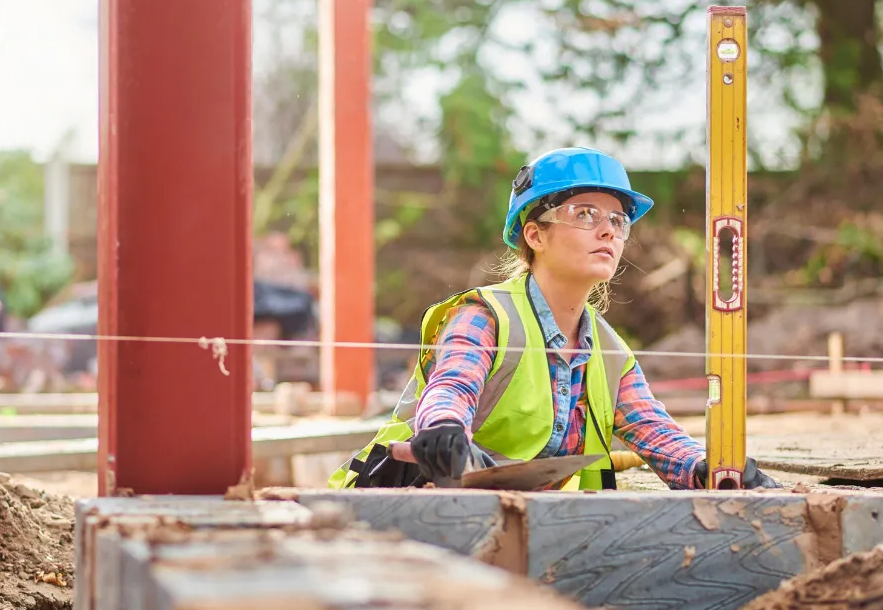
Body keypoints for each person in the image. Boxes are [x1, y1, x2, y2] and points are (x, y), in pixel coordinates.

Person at [329, 146, 779, 491]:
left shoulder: (607, 351)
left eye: (618, 221)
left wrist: (711, 469)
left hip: (513, 519)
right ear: (534, 234)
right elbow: (452, 388)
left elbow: (655, 431)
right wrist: (444, 431)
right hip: (388, 503)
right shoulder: (484, 317)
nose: (608, 230)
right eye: (585, 214)